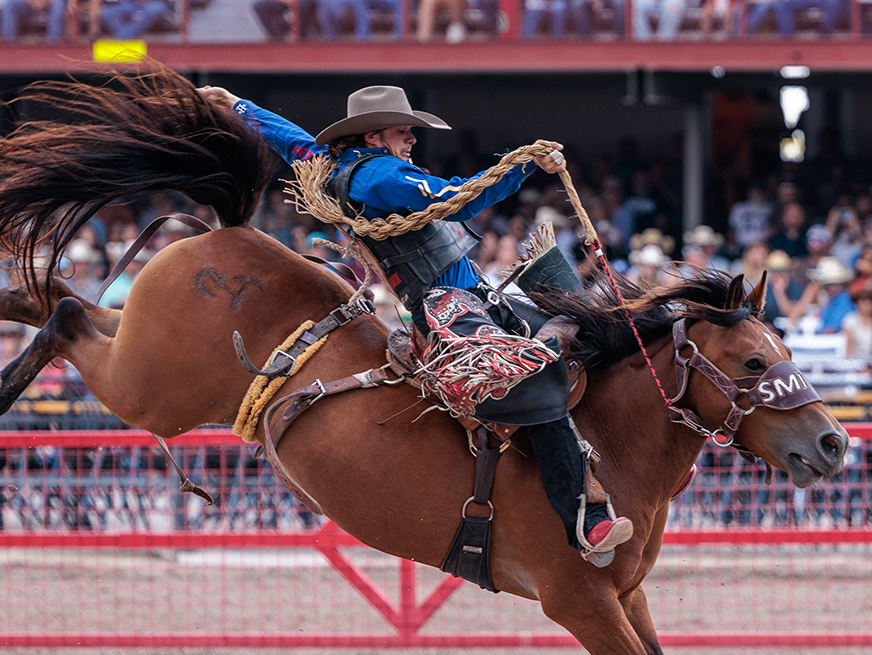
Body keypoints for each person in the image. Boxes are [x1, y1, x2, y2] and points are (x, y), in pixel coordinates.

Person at [200, 83, 633, 562]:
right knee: (535, 378)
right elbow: (459, 200)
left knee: (586, 330)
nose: (411, 141)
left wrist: (239, 106)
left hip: (466, 300)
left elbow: (291, 140)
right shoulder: (380, 177)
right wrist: (524, 163)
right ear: (372, 138)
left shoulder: (331, 167)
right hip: (451, 307)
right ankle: (585, 522)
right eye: (402, 132)